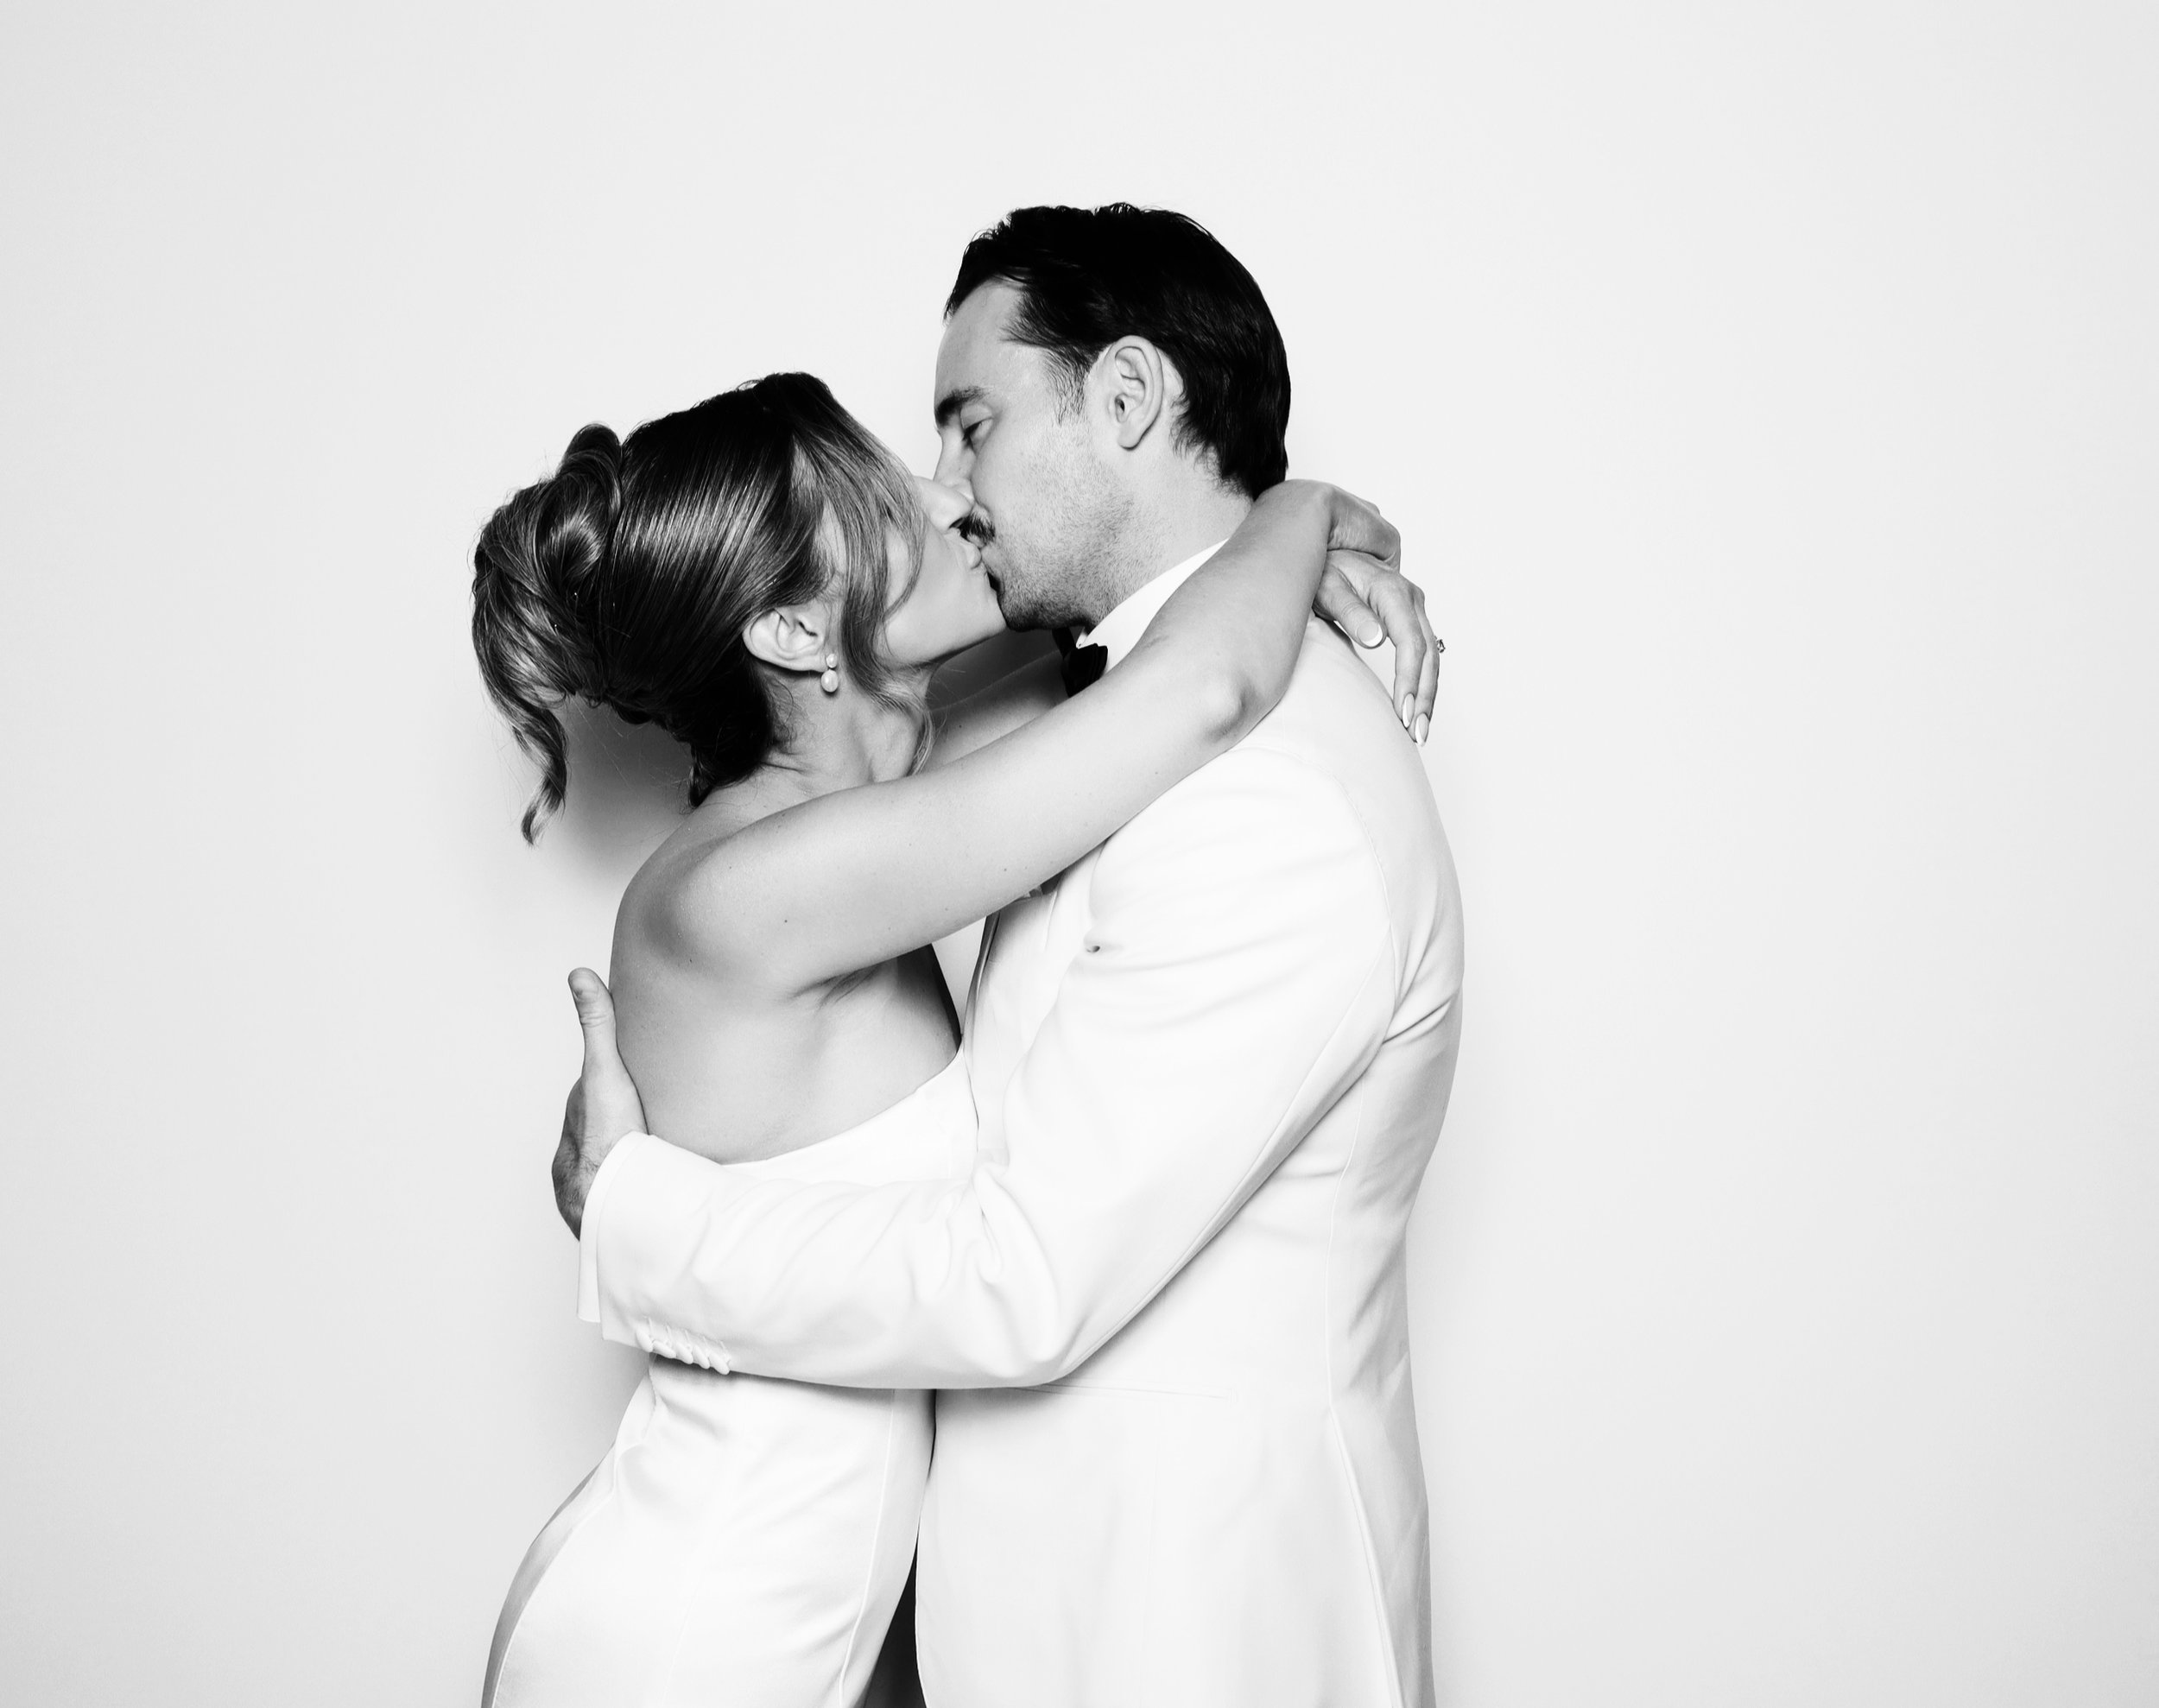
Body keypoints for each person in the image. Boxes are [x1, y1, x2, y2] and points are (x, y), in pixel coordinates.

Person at [555, 206, 1466, 1708]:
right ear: (793, 628)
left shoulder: (1247, 786)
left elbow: (1022, 1274)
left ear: (1129, 395)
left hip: (1158, 1632)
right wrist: (1295, 517)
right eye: (909, 467)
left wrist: (641, 1217)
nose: (945, 489)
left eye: (968, 424)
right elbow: (1192, 683)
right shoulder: (866, 823)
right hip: (719, 1625)